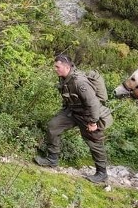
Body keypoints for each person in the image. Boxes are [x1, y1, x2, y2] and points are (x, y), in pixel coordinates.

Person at [34, 54, 113, 183]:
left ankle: (102, 173)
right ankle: (52, 159)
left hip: (88, 115)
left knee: (94, 142)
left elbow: (93, 103)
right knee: (53, 126)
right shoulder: (63, 78)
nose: (55, 69)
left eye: (57, 67)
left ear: (66, 67)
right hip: (73, 112)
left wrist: (93, 122)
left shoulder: (79, 82)